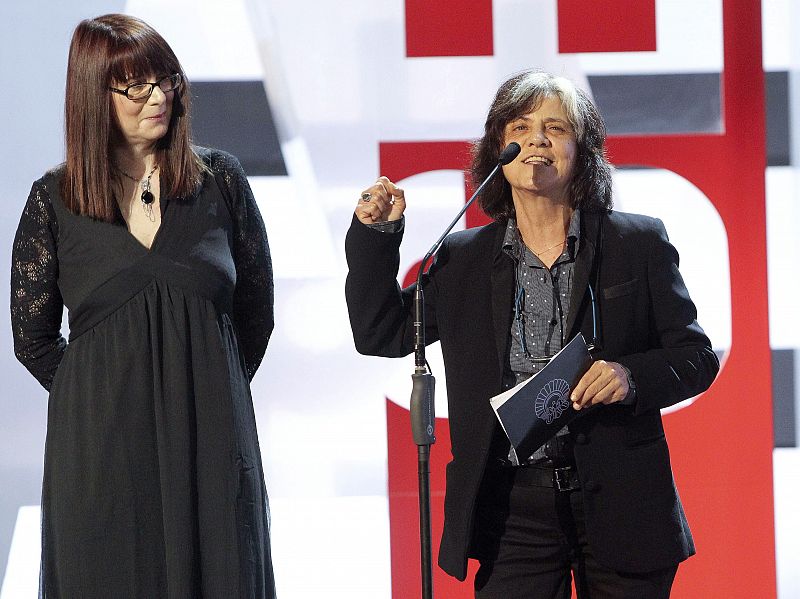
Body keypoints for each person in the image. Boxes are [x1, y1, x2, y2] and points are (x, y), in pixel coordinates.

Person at [345, 71, 719, 598]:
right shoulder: (462, 259)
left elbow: (695, 358)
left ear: (582, 150)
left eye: (556, 127)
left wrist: (629, 376)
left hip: (620, 498)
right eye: (522, 126)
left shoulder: (636, 242)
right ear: (500, 149)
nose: (538, 139)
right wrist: (376, 237)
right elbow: (380, 331)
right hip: (510, 509)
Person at [11, 14, 276, 598]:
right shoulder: (53, 200)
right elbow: (31, 339)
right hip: (101, 455)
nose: (158, 96)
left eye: (165, 79)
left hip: (211, 443)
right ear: (92, 93)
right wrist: (102, 394)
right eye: (135, 84)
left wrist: (206, 381)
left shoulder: (220, 181)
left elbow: (256, 315)